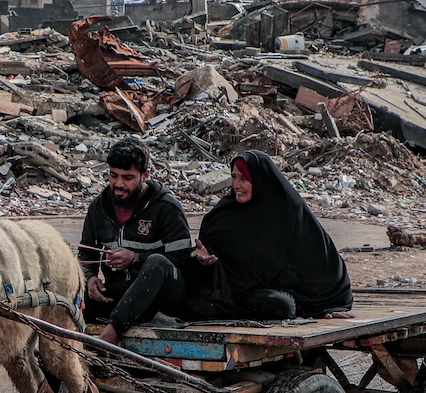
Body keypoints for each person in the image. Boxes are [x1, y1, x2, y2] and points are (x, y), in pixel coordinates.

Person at [188, 150, 353, 321]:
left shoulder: (287, 210)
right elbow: (210, 253)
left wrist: (326, 303)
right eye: (234, 177)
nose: (236, 185)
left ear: (260, 179)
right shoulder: (223, 214)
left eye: (243, 179)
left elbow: (319, 260)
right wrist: (203, 259)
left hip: (263, 294)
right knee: (197, 304)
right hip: (230, 293)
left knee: (280, 305)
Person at [78, 138, 194, 346]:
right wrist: (89, 279)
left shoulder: (166, 208)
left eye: (128, 178)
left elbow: (183, 262)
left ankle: (109, 336)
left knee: (157, 262)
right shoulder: (99, 207)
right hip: (120, 296)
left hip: (164, 299)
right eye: (114, 176)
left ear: (145, 175)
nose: (119, 184)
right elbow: (86, 253)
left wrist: (136, 259)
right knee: (68, 293)